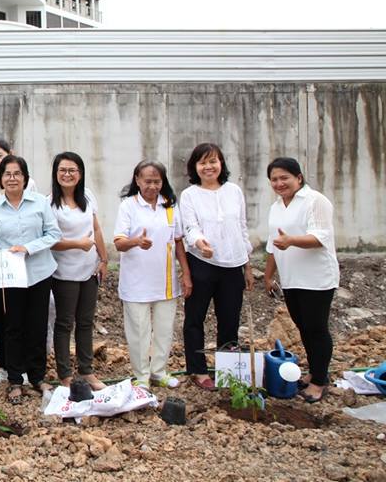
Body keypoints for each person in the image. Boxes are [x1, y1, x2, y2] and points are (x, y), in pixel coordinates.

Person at [0, 155, 61, 404]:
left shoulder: (40, 203)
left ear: (25, 178)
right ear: (0, 179)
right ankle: (15, 379)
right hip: (10, 275)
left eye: (17, 174)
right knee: (12, 326)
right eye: (7, 174)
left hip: (39, 271)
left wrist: (28, 247)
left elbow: (53, 234)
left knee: (36, 325)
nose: (12, 178)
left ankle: (37, 376)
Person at [263, 157, 338, 404]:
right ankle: (315, 372)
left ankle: (319, 381)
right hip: (291, 278)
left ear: (299, 178)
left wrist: (291, 241)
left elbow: (320, 237)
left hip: (316, 278)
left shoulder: (315, 201)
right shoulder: (276, 206)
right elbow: (274, 244)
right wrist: (268, 274)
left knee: (316, 328)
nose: (279, 183)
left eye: (284, 177)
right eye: (274, 179)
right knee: (303, 327)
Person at [179, 143, 254, 390]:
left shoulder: (234, 191)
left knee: (230, 319)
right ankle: (198, 371)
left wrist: (248, 265)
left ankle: (228, 371)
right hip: (202, 263)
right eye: (202, 163)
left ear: (221, 164)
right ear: (195, 168)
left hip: (233, 264)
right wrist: (200, 243)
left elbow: (242, 228)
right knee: (195, 318)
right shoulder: (189, 195)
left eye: (213, 161)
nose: (208, 167)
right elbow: (189, 227)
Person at [113, 160, 191, 389]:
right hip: (136, 282)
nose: (152, 186)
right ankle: (141, 375)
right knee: (139, 331)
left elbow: (178, 243)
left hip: (165, 281)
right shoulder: (128, 206)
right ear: (137, 180)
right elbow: (118, 243)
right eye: (147, 181)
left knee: (164, 330)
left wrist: (185, 274)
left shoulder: (169, 206)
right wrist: (136, 241)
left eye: (157, 181)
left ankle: (159, 371)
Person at [0, 138, 37, 385]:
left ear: (10, 154)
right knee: (1, 314)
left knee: (21, 314)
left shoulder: (27, 181)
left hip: (21, 255)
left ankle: (23, 367)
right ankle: (5, 365)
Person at [48, 152, 109, 390]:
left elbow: (96, 229)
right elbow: (50, 241)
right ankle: (65, 374)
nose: (67, 174)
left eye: (72, 170)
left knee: (85, 322)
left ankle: (87, 371)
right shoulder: (50, 203)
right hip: (64, 272)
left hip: (89, 270)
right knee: (64, 323)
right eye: (62, 170)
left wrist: (103, 259)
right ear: (56, 174)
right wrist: (77, 244)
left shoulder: (88, 196)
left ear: (80, 173)